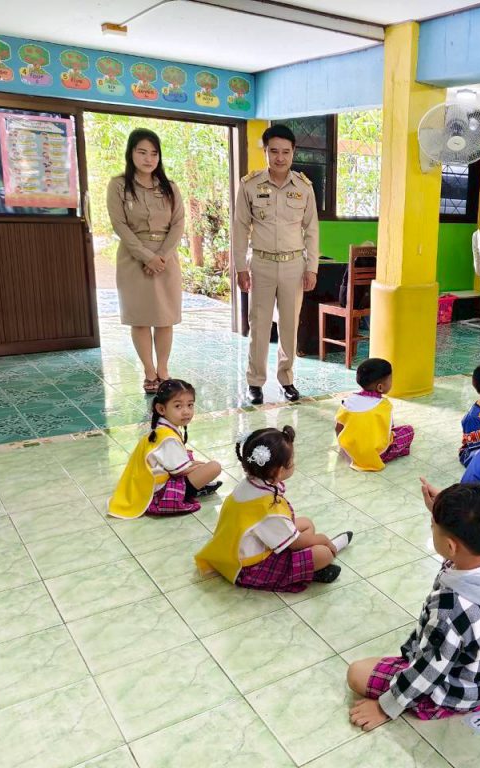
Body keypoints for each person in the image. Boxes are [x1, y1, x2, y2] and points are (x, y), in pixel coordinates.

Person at [346, 483, 480, 731]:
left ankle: (451, 703)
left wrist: (385, 707)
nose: (431, 526)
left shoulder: (449, 613)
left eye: (433, 526)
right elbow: (464, 539)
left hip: (461, 690)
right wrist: (442, 514)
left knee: (357, 673)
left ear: (451, 546)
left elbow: (429, 671)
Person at [195, 427, 352, 591]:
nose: (294, 463)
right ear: (279, 471)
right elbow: (295, 543)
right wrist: (323, 539)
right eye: (291, 461)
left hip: (237, 549)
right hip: (249, 567)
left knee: (306, 523)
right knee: (323, 553)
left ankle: (307, 566)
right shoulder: (268, 509)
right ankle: (313, 566)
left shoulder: (249, 483)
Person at [232, 125, 319, 406]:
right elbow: (240, 227)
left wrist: (312, 267)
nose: (280, 158)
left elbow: (311, 230)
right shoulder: (250, 185)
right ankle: (255, 382)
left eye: (285, 152)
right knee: (258, 326)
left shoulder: (304, 187)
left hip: (294, 265)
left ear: (293, 152)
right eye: (274, 151)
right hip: (261, 264)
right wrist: (240, 267)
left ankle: (287, 379)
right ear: (266, 152)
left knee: (289, 325)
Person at [106, 129, 185, 394]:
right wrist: (146, 256)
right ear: (131, 154)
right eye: (142, 152)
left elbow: (178, 224)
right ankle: (149, 372)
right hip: (133, 258)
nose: (148, 158)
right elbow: (119, 224)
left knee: (165, 318)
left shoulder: (170, 187)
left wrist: (161, 256)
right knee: (139, 318)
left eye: (154, 153)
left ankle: (163, 370)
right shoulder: (118, 185)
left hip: (166, 259)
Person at [107, 379, 222, 519]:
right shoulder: (168, 438)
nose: (186, 411)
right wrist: (197, 467)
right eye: (178, 406)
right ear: (161, 409)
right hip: (159, 494)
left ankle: (198, 484)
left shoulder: (161, 429)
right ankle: (195, 490)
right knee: (214, 467)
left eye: (190, 405)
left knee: (190, 457)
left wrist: (192, 465)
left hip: (149, 485)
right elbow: (178, 471)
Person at [335, 358, 414, 471]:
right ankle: (397, 452)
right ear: (380, 387)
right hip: (378, 454)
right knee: (408, 430)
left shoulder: (347, 401)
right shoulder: (384, 405)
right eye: (390, 379)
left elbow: (338, 428)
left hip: (350, 451)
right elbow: (388, 432)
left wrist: (344, 447)